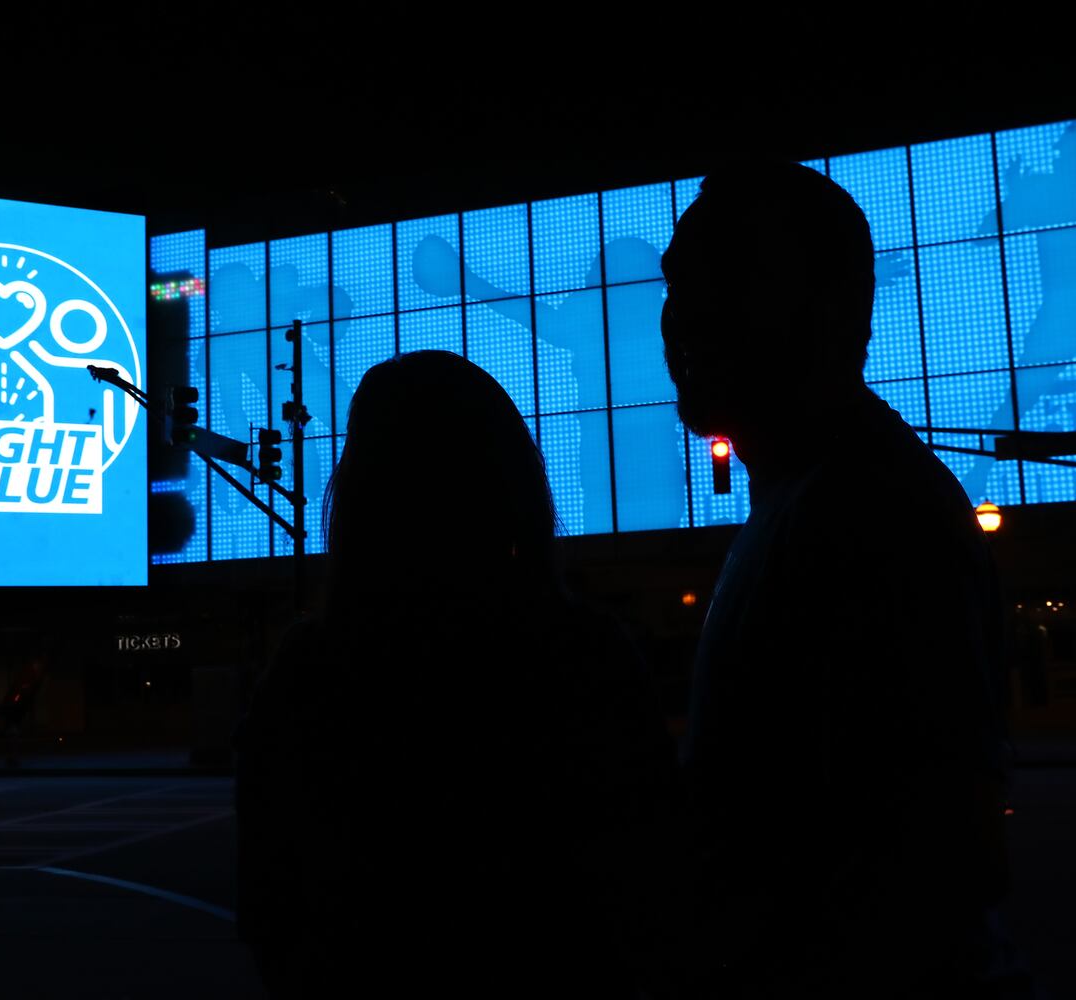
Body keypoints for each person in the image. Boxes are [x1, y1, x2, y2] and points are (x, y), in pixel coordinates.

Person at [661, 162, 1028, 995]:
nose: (679, 319)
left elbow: (938, 860)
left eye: (720, 284)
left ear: (827, 308)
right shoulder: (823, 497)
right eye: (676, 286)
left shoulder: (867, 513)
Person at [234, 351, 689, 999]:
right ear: (511, 479)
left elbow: (270, 906)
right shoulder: (583, 656)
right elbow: (648, 884)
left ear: (360, 489)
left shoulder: (312, 674)